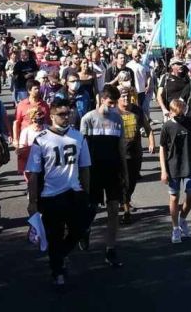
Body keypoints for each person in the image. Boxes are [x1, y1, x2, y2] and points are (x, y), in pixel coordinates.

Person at [27, 100, 92, 288]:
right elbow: (34, 173)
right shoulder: (41, 139)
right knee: (54, 235)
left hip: (74, 192)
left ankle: (59, 257)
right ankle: (57, 271)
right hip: (51, 195)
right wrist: (32, 201)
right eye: (62, 114)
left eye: (68, 113)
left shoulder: (79, 137)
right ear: (52, 116)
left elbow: (85, 168)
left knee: (79, 229)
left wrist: (86, 193)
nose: (66, 117)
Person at [78, 85, 128, 267]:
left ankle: (110, 249)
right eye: (110, 103)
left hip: (113, 171)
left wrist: (125, 172)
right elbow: (81, 149)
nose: (113, 107)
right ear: (101, 99)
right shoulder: (88, 119)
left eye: (115, 104)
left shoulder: (118, 119)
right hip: (94, 172)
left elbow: (121, 147)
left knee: (114, 210)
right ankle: (85, 229)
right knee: (91, 208)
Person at [158, 98, 191, 244]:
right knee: (174, 197)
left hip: (188, 165)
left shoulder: (189, 122)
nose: (180, 116)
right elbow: (162, 149)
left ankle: (182, 220)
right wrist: (163, 170)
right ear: (171, 112)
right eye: (177, 114)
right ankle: (175, 228)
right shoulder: (167, 126)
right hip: (173, 166)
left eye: (182, 113)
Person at [117, 87, 153, 225]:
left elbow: (147, 128)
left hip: (135, 152)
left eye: (127, 96)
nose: (125, 99)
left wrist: (151, 142)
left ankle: (125, 199)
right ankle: (126, 211)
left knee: (132, 181)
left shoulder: (137, 110)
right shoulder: (114, 111)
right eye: (122, 97)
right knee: (123, 182)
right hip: (120, 153)